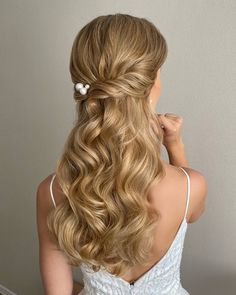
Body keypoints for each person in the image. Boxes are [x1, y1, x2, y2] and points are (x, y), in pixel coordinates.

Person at [36, 13, 208, 295]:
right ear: (151, 86)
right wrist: (175, 146)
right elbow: (193, 213)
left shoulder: (52, 192)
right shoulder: (191, 186)